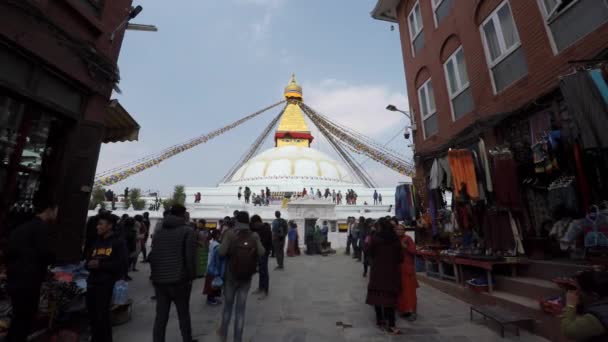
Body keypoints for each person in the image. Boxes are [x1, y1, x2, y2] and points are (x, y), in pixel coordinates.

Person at [6, 198, 57, 342]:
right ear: (49, 210)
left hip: (14, 279)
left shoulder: (20, 228)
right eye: (56, 211)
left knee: (17, 318)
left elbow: (9, 253)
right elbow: (45, 253)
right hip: (28, 281)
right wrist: (52, 260)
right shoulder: (41, 228)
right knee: (24, 319)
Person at [149, 205, 198, 342]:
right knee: (183, 314)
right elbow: (190, 258)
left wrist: (155, 276)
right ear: (183, 215)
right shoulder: (187, 231)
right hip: (179, 280)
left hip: (160, 280)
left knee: (161, 316)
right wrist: (191, 276)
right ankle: (187, 339)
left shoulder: (159, 232)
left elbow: (153, 256)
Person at [218, 211, 265, 342]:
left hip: (231, 275)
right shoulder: (254, 235)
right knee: (240, 310)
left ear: (237, 220)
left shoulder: (230, 234)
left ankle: (223, 336)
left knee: (228, 307)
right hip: (246, 277)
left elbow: (221, 253)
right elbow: (262, 252)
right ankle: (237, 339)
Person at [85, 212, 129, 342]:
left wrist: (100, 264)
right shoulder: (95, 241)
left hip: (106, 286)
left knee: (102, 318)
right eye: (97, 224)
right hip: (92, 283)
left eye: (100, 224)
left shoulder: (118, 243)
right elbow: (87, 260)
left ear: (110, 226)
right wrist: (89, 264)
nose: (97, 227)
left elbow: (121, 265)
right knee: (93, 318)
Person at [366, 218, 403, 335]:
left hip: (377, 271)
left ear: (380, 227)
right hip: (392, 272)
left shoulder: (375, 238)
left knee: (377, 295)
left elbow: (369, 253)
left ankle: (380, 320)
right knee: (390, 298)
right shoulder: (395, 239)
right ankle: (392, 324)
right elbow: (400, 258)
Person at [561, 270, 608, 341]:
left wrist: (570, 305)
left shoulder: (598, 317)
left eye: (580, 290)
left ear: (594, 295)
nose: (577, 293)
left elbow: (569, 332)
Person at [396, 224, 418, 320]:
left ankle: (412, 311)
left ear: (404, 231)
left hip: (407, 269)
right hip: (398, 269)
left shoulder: (408, 239)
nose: (399, 231)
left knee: (409, 291)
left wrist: (405, 247)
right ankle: (403, 310)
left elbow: (414, 251)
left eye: (401, 229)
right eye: (398, 229)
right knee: (401, 291)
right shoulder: (395, 240)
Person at [250, 215, 272, 299]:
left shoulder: (266, 229)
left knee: (264, 271)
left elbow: (265, 242)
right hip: (259, 252)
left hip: (264, 252)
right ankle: (260, 287)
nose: (254, 226)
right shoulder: (257, 229)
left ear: (258, 222)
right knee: (261, 270)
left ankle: (265, 291)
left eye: (255, 224)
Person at [203, 229, 223, 306]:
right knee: (212, 284)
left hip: (210, 265)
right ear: (217, 235)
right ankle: (210, 299)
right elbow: (216, 258)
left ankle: (212, 298)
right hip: (213, 266)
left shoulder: (212, 243)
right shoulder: (217, 245)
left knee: (212, 283)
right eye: (220, 234)